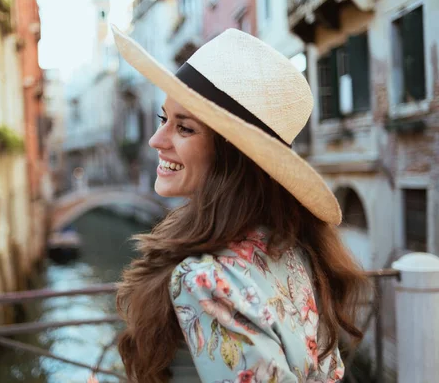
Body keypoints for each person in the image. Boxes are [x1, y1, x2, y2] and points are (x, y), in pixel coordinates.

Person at [109, 26, 369, 383]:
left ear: (231, 156)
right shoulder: (292, 249)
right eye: (163, 119)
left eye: (184, 128)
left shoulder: (203, 279)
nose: (156, 139)